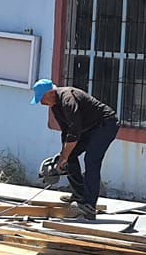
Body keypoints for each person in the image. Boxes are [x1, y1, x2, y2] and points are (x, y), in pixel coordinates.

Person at [32, 78, 118, 221]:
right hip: (89, 128)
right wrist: (63, 156)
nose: (41, 103)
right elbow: (66, 132)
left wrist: (64, 156)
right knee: (70, 157)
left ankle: (89, 205)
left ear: (50, 93)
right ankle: (79, 193)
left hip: (105, 124)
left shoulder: (68, 98)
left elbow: (74, 130)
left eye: (42, 99)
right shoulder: (55, 107)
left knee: (91, 160)